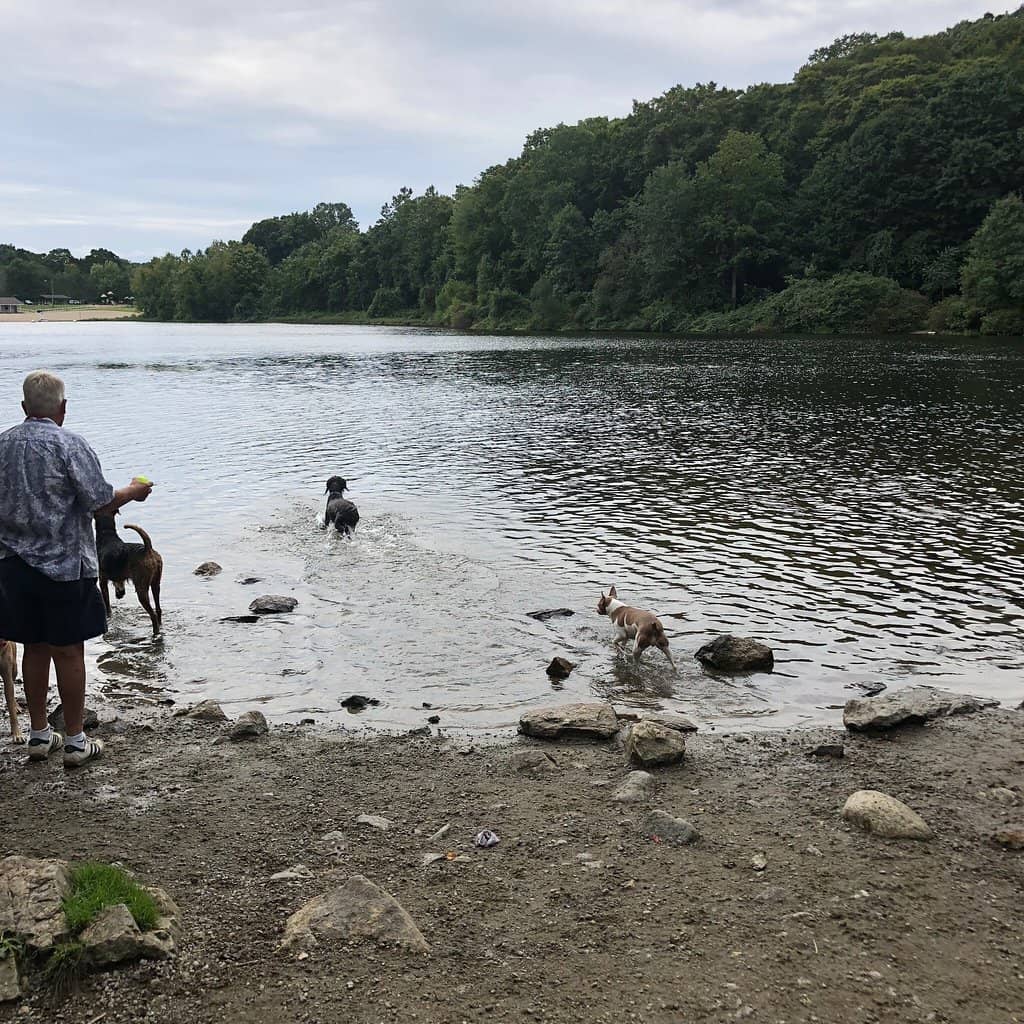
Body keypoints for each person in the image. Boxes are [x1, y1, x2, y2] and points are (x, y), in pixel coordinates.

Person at [0, 371, 153, 767]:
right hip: (65, 567)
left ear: (23, 408)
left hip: (14, 566)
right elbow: (101, 502)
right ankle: (74, 741)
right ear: (63, 409)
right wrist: (133, 493)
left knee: (33, 647)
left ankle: (37, 735)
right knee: (68, 652)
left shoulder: (3, 444)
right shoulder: (70, 444)